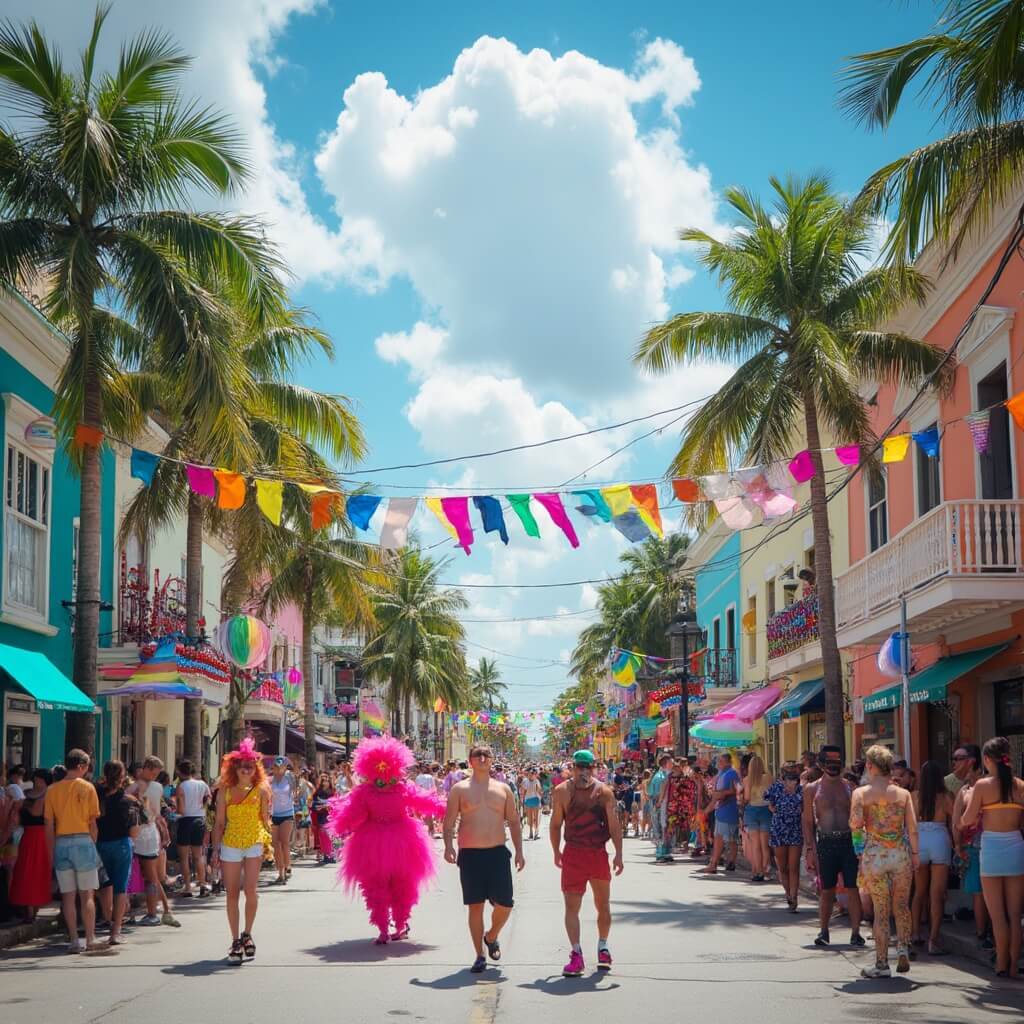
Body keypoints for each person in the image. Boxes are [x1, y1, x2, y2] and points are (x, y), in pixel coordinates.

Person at [331, 736, 448, 947]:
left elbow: (423, 801)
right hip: (371, 843)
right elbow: (351, 813)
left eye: (389, 779)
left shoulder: (403, 789)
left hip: (403, 841)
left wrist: (444, 808)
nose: (385, 782)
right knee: (376, 886)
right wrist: (340, 825)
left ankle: (400, 924)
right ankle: (384, 928)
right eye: (379, 780)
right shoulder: (364, 793)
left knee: (403, 884)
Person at [442, 744, 524, 972]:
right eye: (477, 755)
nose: (481, 758)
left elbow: (514, 822)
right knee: (475, 907)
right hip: (470, 855)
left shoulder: (503, 789)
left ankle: (491, 936)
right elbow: (448, 822)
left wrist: (519, 850)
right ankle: (479, 955)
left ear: (491, 760)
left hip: (497, 853)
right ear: (470, 760)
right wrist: (448, 846)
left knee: (505, 904)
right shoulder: (459, 789)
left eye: (486, 755)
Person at [549, 749, 623, 977]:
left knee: (603, 904)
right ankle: (576, 953)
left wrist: (619, 853)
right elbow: (555, 824)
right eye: (579, 767)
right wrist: (556, 851)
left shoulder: (605, 792)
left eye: (586, 767)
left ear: (593, 768)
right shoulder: (562, 792)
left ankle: (603, 947)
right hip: (573, 854)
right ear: (572, 767)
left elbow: (614, 825)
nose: (582, 771)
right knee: (572, 907)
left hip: (597, 853)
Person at [851, 745, 918, 978]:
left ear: (870, 766)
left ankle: (881, 964)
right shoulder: (903, 794)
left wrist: (861, 855)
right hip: (900, 855)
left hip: (874, 856)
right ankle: (902, 948)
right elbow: (912, 828)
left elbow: (856, 828)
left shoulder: (861, 794)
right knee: (901, 906)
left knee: (881, 911)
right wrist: (916, 855)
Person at [960, 736, 1024, 978]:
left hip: (992, 850)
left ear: (987, 760)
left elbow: (966, 820)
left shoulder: (982, 786)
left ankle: (1000, 964)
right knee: (1015, 915)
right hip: (1016, 847)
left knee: (997, 916)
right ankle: (1014, 965)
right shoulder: (1020, 786)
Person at [211, 737, 272, 963]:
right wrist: (215, 850)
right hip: (230, 844)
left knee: (251, 890)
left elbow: (265, 821)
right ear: (234, 767)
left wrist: (269, 845)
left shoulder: (262, 791)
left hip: (254, 842)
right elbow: (218, 823)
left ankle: (248, 934)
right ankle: (235, 939)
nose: (247, 768)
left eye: (251, 764)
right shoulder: (224, 792)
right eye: (242, 764)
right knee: (232, 894)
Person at [802, 745, 864, 948]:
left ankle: (856, 933)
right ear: (820, 764)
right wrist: (810, 849)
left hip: (848, 842)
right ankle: (824, 931)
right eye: (829, 763)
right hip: (825, 842)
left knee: (853, 888)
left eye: (837, 763)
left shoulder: (850, 787)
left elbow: (858, 818)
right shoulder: (812, 789)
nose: (834, 767)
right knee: (826, 890)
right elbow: (808, 821)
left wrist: (861, 847)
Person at [43, 749, 102, 952]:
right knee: (87, 895)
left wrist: (51, 850)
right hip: (83, 840)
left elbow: (48, 825)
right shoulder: (88, 788)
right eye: (86, 767)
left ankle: (75, 939)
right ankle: (91, 937)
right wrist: (92, 845)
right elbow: (93, 823)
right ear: (80, 766)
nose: (87, 771)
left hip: (61, 842)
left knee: (68, 895)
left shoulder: (52, 790)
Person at [128, 756, 178, 928]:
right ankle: (162, 910)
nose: (155, 777)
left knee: (151, 877)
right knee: (152, 876)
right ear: (146, 769)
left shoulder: (133, 787)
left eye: (157, 774)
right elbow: (156, 813)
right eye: (154, 773)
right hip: (151, 831)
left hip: (142, 831)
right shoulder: (157, 787)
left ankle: (153, 913)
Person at [95, 760, 140, 947]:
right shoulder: (129, 802)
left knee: (104, 885)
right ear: (123, 777)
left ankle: (107, 918)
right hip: (121, 845)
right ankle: (116, 931)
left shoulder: (97, 798)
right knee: (120, 888)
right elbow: (134, 831)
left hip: (100, 845)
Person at [911, 760, 953, 955]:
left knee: (919, 892)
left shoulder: (913, 797)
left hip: (920, 839)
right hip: (939, 838)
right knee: (937, 894)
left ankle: (915, 933)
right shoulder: (946, 797)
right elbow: (955, 823)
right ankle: (933, 940)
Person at [952, 753, 990, 950]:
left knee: (978, 892)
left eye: (959, 760)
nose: (956, 766)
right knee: (991, 892)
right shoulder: (994, 787)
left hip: (972, 846)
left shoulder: (966, 792)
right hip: (992, 844)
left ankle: (982, 931)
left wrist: (958, 846)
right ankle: (988, 931)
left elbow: (957, 822)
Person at [9, 768, 53, 922]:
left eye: (39, 778)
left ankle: (33, 910)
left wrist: (22, 805)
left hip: (40, 836)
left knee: (37, 871)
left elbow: (36, 812)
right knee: (24, 870)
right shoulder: (28, 792)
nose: (36, 781)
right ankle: (27, 908)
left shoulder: (48, 793)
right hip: (27, 835)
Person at [767, 762, 803, 912]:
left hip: (795, 829)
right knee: (783, 866)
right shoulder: (776, 788)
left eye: (793, 774)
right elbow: (770, 805)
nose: (790, 777)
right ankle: (788, 893)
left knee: (793, 866)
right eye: (787, 774)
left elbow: (805, 808)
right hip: (779, 829)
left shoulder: (802, 790)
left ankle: (794, 898)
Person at [700, 752, 741, 874]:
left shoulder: (731, 773)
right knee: (731, 839)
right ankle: (731, 862)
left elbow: (736, 789)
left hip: (727, 810)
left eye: (721, 761)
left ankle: (714, 864)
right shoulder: (724, 773)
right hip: (724, 809)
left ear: (728, 762)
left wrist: (722, 794)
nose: (719, 763)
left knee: (719, 839)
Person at [174, 759, 211, 897]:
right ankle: (202, 884)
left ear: (180, 772)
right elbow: (208, 801)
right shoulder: (203, 784)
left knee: (183, 857)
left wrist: (175, 812)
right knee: (198, 855)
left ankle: (188, 887)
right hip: (200, 819)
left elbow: (181, 810)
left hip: (186, 820)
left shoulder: (181, 787)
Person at [743, 754, 773, 882]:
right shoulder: (769, 777)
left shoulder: (747, 780)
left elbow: (747, 798)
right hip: (766, 811)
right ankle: (766, 870)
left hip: (752, 811)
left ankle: (758, 871)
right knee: (764, 845)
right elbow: (772, 794)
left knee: (755, 845)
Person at [268, 757, 296, 885]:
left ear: (285, 767)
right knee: (275, 844)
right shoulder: (270, 780)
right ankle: (280, 872)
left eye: (281, 766)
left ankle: (287, 865)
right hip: (274, 814)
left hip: (287, 814)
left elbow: (297, 786)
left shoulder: (289, 778)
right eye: (275, 766)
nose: (278, 768)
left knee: (284, 841)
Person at [649, 754, 673, 863]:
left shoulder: (666, 775)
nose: (672, 764)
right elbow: (657, 795)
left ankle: (666, 852)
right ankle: (660, 853)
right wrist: (658, 804)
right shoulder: (660, 777)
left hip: (665, 806)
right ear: (666, 764)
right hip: (659, 806)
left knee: (666, 828)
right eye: (671, 762)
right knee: (659, 828)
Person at [310, 773, 336, 864]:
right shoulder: (317, 792)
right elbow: (314, 804)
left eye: (327, 780)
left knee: (329, 836)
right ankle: (326, 855)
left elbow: (335, 804)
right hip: (320, 817)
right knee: (322, 836)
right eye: (323, 780)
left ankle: (331, 855)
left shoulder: (332, 792)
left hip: (329, 817)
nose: (325, 782)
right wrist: (319, 807)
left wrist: (326, 806)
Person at [415, 761, 440, 837]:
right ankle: (431, 832)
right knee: (429, 815)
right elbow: (433, 788)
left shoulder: (418, 777)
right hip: (429, 797)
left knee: (419, 815)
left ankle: (421, 832)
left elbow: (417, 788)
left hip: (420, 797)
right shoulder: (430, 777)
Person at [521, 767, 543, 841]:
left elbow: (540, 791)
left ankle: (536, 832)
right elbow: (522, 792)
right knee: (529, 817)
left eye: (533, 773)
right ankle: (531, 832)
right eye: (530, 773)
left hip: (535, 800)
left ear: (535, 774)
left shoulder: (537, 781)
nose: (531, 775)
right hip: (528, 800)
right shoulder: (525, 781)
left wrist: (539, 791)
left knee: (536, 817)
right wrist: (522, 802)